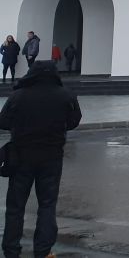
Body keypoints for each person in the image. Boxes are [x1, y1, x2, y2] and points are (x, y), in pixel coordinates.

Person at [0, 60, 83, 258]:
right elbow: (74, 121)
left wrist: (20, 127)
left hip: (21, 157)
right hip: (51, 157)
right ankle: (43, 251)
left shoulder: (19, 95)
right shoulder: (66, 95)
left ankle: (11, 250)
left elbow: (3, 121)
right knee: (47, 204)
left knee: (15, 206)